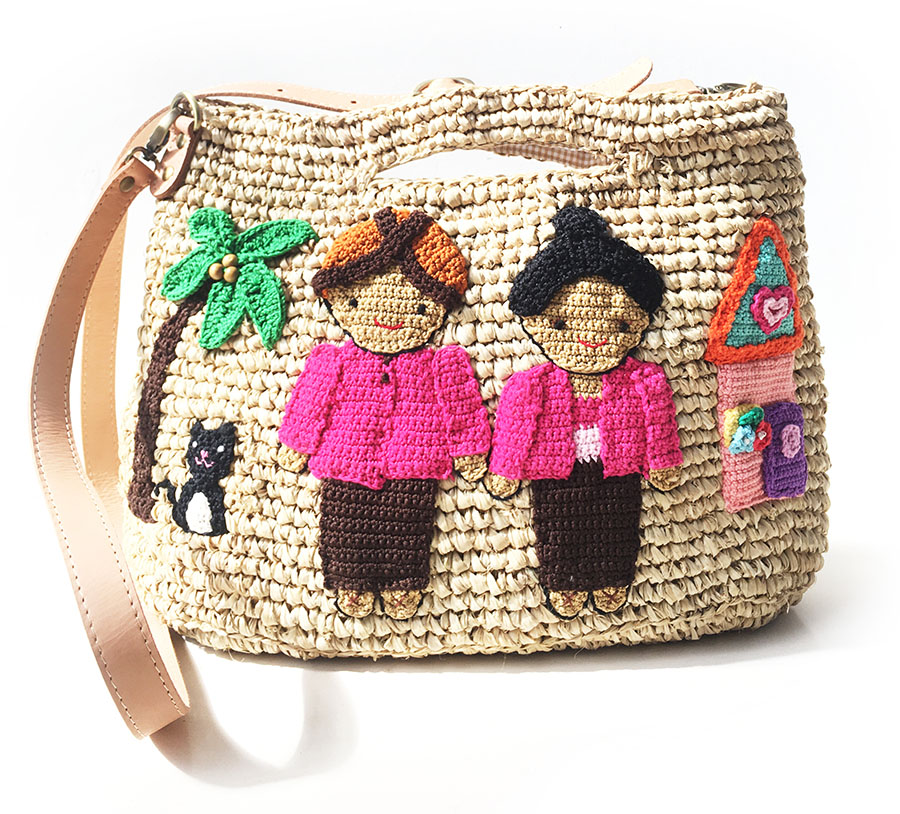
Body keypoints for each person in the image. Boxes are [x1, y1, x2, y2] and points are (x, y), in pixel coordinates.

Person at [278, 208, 491, 620]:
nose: (386, 318)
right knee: (344, 522)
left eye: (419, 309)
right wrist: (297, 443)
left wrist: (469, 449)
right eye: (357, 300)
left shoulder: (442, 364)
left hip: (414, 464)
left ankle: (401, 583)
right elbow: (311, 402)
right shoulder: (332, 361)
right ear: (338, 297)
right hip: (344, 462)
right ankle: (351, 580)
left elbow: (461, 407)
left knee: (408, 525)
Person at [484, 206, 683, 618]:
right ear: (536, 323)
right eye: (561, 325)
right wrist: (506, 469)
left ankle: (613, 578)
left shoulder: (643, 380)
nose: (592, 340)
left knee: (618, 524)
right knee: (558, 526)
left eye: (620, 327)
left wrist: (661, 462)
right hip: (555, 471)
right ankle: (563, 582)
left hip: (619, 468)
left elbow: (658, 423)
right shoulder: (532, 385)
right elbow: (516, 431)